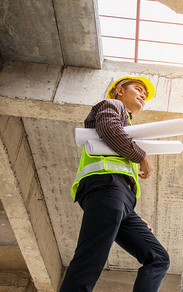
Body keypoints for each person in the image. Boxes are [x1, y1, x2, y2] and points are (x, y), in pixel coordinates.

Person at [60, 76, 170, 292]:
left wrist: (127, 210)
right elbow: (109, 130)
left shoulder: (127, 127)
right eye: (138, 89)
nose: (143, 96)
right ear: (119, 90)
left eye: (145, 95)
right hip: (106, 187)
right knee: (91, 258)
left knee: (158, 258)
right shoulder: (112, 104)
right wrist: (141, 157)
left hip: (121, 200)